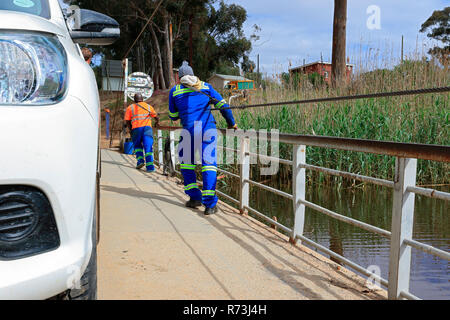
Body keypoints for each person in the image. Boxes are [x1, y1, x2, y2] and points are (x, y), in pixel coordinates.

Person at [169, 61, 237, 215]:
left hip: (188, 131)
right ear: (193, 74)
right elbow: (223, 106)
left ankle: (195, 198)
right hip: (207, 130)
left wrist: (183, 112)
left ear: (179, 77)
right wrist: (232, 124)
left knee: (186, 165)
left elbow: (173, 116)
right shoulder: (206, 87)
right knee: (209, 165)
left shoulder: (175, 91)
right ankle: (210, 205)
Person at [124, 93, 159, 172]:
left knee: (137, 146)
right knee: (148, 146)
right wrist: (157, 122)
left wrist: (130, 130)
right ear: (142, 99)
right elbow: (156, 117)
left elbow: (127, 121)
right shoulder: (148, 107)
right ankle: (150, 167)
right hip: (147, 129)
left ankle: (140, 161)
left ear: (134, 100)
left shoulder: (130, 107)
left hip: (136, 129)